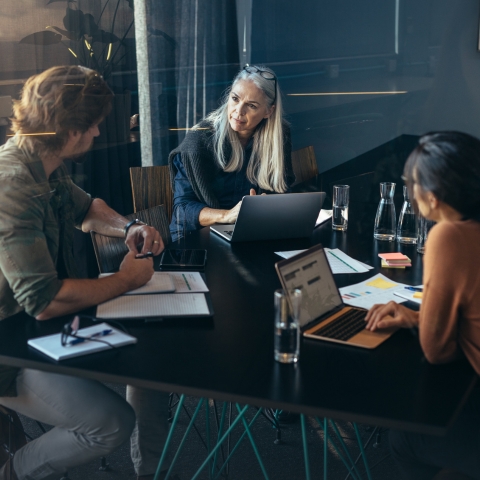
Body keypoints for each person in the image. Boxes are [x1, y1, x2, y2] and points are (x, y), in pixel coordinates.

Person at [0, 65, 168, 480]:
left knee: (148, 360)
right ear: (71, 131)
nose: (96, 135)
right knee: (111, 423)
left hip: (27, 329)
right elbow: (43, 302)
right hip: (8, 343)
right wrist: (127, 280)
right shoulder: (12, 186)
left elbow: (87, 209)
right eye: (93, 127)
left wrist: (131, 227)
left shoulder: (40, 161)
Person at [365, 131, 480, 480]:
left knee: (404, 438)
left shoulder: (448, 236)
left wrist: (426, 322)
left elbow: (437, 351)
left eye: (411, 183)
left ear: (432, 193)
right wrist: (418, 317)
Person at [168, 64, 295, 240]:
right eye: (235, 99)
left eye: (251, 106)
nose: (238, 111)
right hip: (195, 238)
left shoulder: (278, 135)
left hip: (251, 232)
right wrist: (228, 216)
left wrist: (268, 204)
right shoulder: (199, 141)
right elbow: (182, 210)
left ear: (268, 111)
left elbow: (283, 187)